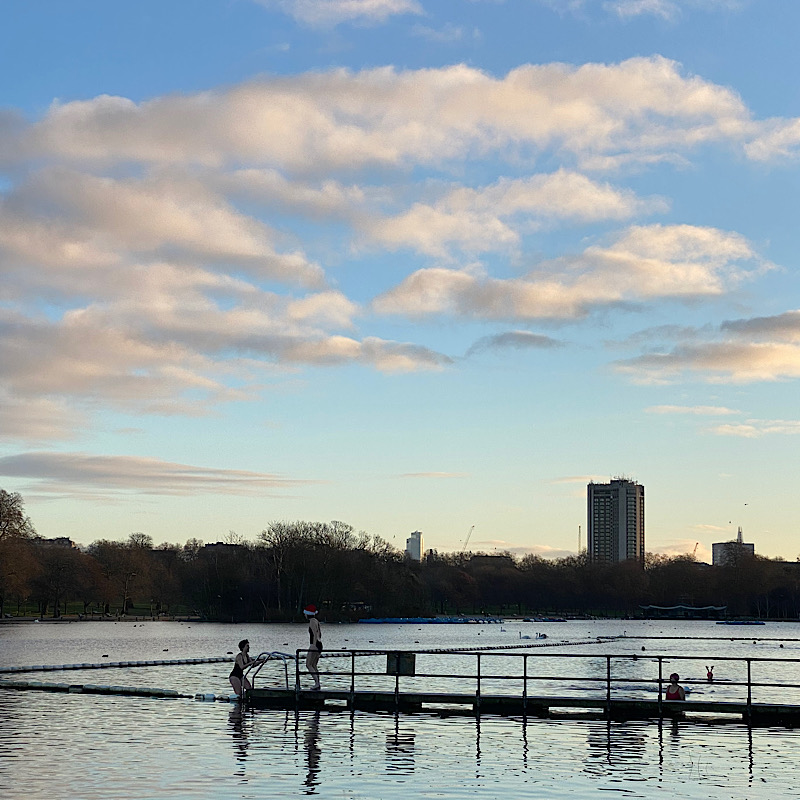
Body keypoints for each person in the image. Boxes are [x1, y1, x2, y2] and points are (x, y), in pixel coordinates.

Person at [304, 604, 323, 690]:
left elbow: (315, 634)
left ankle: (317, 683)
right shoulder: (316, 621)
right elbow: (320, 634)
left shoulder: (312, 621)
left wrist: (314, 645)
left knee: (308, 664)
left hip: (314, 644)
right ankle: (317, 683)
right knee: (314, 665)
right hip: (319, 644)